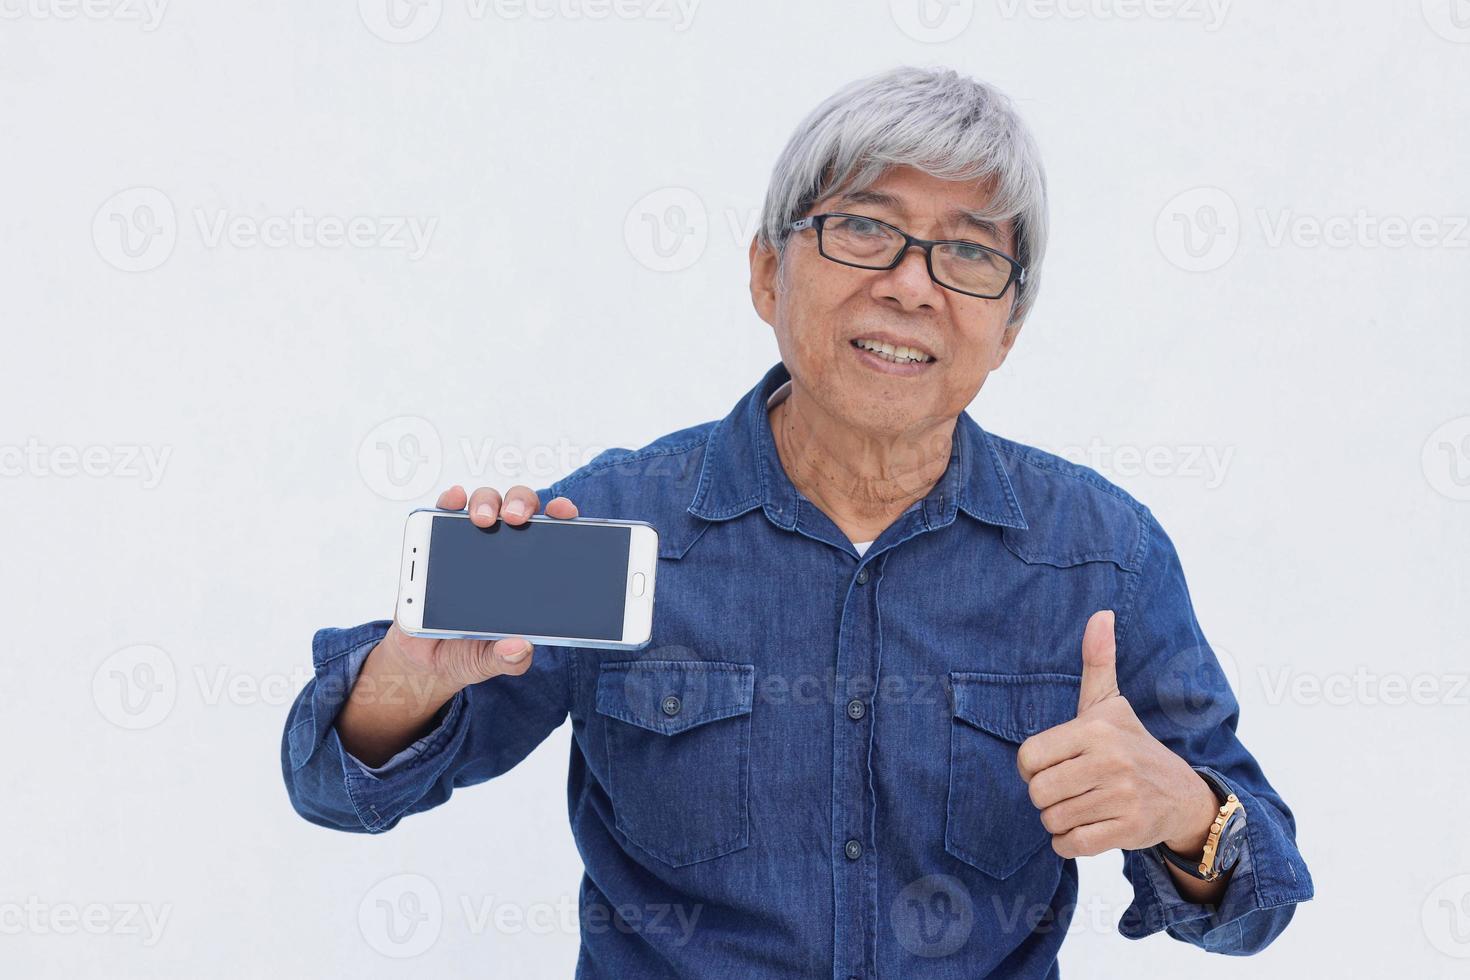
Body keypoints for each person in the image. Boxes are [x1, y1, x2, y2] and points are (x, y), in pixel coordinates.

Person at [281, 65, 1313, 977]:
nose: (911, 284)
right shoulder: (617, 520)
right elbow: (331, 784)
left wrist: (1186, 810)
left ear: (1007, 328)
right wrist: (409, 674)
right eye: (865, 227)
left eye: (966, 254)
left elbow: (1261, 892)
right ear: (767, 271)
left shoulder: (1102, 554)